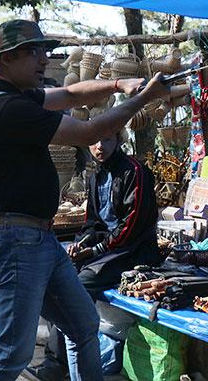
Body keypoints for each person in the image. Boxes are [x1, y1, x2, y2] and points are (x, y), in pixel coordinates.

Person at [0, 19, 168, 381]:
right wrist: (143, 98)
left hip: (34, 238)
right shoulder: (6, 108)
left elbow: (73, 95)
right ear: (7, 59)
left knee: (83, 325)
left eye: (44, 50)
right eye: (34, 52)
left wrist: (120, 83)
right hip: (13, 240)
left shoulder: (14, 96)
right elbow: (89, 131)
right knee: (12, 353)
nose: (44, 59)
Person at [25, 131, 160, 380]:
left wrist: (96, 249)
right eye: (95, 140)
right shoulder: (96, 174)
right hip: (107, 251)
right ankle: (55, 363)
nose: (100, 146)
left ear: (119, 140)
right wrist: (80, 243)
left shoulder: (135, 171)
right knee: (59, 277)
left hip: (134, 252)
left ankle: (61, 365)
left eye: (107, 139)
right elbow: (93, 223)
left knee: (75, 285)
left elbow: (132, 225)